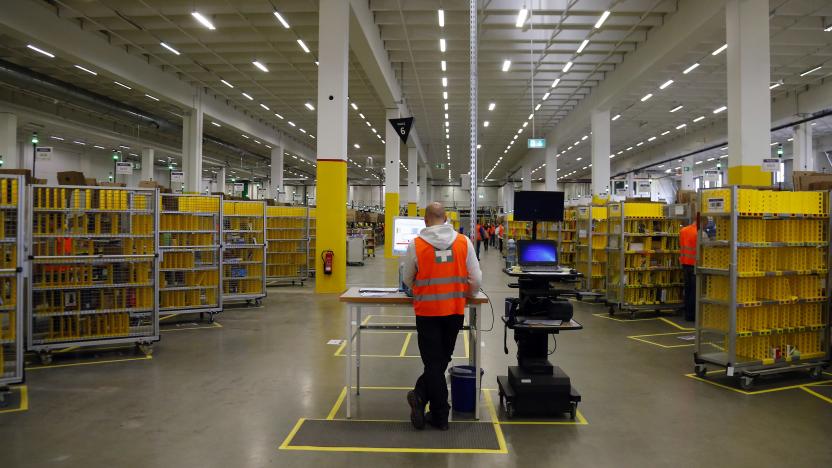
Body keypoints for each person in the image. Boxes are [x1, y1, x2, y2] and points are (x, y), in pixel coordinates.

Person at [402, 202, 482, 431]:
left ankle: (439, 415)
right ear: (446, 218)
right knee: (440, 361)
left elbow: (408, 279)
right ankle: (422, 399)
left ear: (426, 220)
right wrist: (467, 292)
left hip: (427, 313)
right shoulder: (463, 242)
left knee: (432, 363)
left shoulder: (416, 245)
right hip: (454, 312)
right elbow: (475, 280)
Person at [679, 213, 698, 322]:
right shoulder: (699, 233)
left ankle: (687, 314)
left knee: (688, 289)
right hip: (694, 265)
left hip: (685, 263)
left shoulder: (683, 231)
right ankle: (693, 315)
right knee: (694, 292)